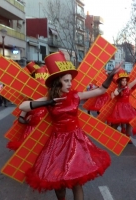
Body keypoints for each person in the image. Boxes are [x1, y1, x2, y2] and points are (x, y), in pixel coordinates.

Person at [18, 51, 120, 200]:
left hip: (76, 141)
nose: (70, 84)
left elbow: (101, 90)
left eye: (70, 80)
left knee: (77, 182)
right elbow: (23, 106)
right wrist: (48, 102)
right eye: (66, 81)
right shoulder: (48, 98)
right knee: (58, 184)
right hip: (57, 144)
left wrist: (110, 75)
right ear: (57, 81)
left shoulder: (76, 96)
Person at [7, 66, 49, 151]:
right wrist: (26, 121)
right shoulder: (29, 102)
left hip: (46, 131)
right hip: (31, 131)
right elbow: (21, 118)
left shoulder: (50, 101)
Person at [107, 68, 136, 143]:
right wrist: (119, 90)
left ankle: (128, 137)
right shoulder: (117, 88)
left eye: (125, 80)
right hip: (120, 107)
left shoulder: (128, 87)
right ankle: (111, 135)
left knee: (129, 122)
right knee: (116, 123)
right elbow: (114, 95)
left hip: (128, 107)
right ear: (120, 81)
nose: (124, 82)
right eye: (123, 80)